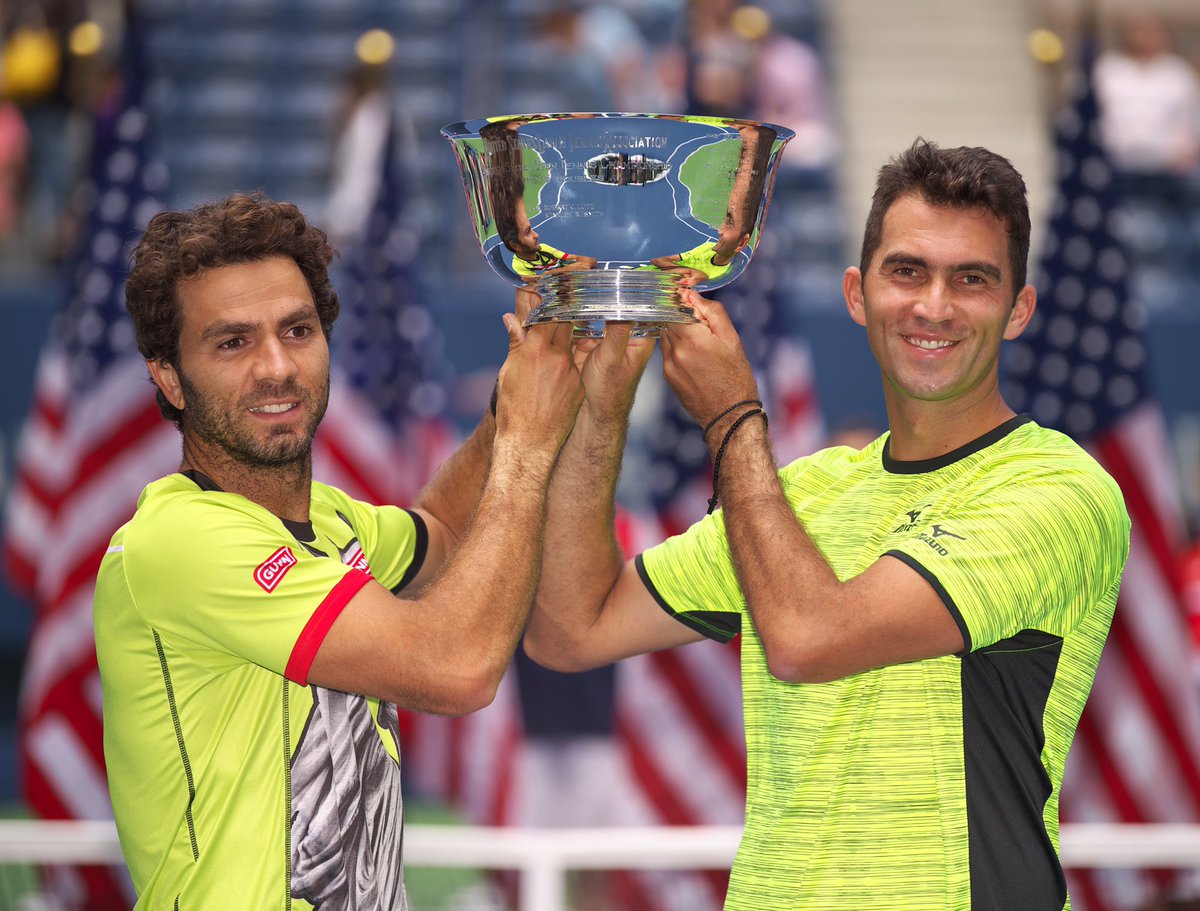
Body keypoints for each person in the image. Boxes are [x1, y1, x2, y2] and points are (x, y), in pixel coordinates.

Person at [523, 139, 1131, 910]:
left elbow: (811, 639)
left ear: (1018, 311)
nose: (934, 306)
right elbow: (569, 629)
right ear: (857, 292)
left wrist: (734, 417)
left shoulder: (1060, 489)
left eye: (971, 280)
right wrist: (601, 409)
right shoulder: (802, 493)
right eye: (907, 270)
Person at [93, 193, 585, 909]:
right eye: (232, 342)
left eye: (297, 330)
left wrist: (518, 393)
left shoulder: (325, 520)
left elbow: (443, 532)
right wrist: (529, 439)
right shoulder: (178, 538)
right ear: (168, 376)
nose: (275, 367)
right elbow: (457, 668)